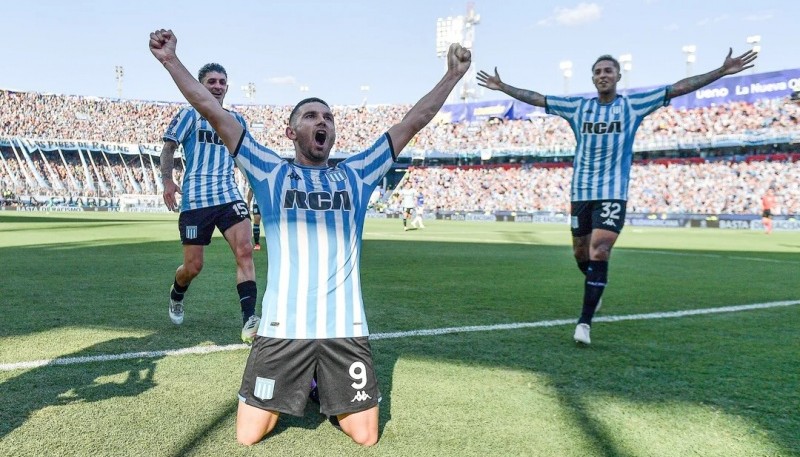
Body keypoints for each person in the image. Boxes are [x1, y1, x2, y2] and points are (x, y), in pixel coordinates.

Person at [149, 28, 471, 446]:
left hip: (345, 328)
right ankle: (309, 379)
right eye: (311, 116)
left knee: (365, 436)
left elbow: (413, 121)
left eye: (328, 117)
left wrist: (453, 75)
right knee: (248, 435)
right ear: (291, 132)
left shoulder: (357, 172)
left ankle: (320, 383)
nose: (322, 122)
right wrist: (171, 59)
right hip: (284, 328)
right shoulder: (269, 171)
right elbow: (211, 110)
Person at [477, 48, 757, 345]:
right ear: (593, 78)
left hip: (613, 193)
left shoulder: (634, 105)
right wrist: (503, 87)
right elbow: (539, 99)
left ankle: (584, 323)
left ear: (618, 76)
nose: (603, 76)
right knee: (580, 253)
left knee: (600, 249)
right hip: (581, 191)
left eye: (608, 71)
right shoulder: (577, 108)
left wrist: (720, 71)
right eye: (598, 72)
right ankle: (595, 284)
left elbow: (678, 88)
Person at [159, 62, 260, 344]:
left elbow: (247, 157)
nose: (217, 86)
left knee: (244, 252)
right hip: (196, 200)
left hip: (228, 195)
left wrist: (258, 188)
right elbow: (168, 147)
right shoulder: (189, 115)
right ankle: (177, 293)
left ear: (227, 87)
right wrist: (167, 181)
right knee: (193, 267)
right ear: (201, 86)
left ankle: (250, 320)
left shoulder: (237, 121)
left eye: (221, 82)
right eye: (211, 82)